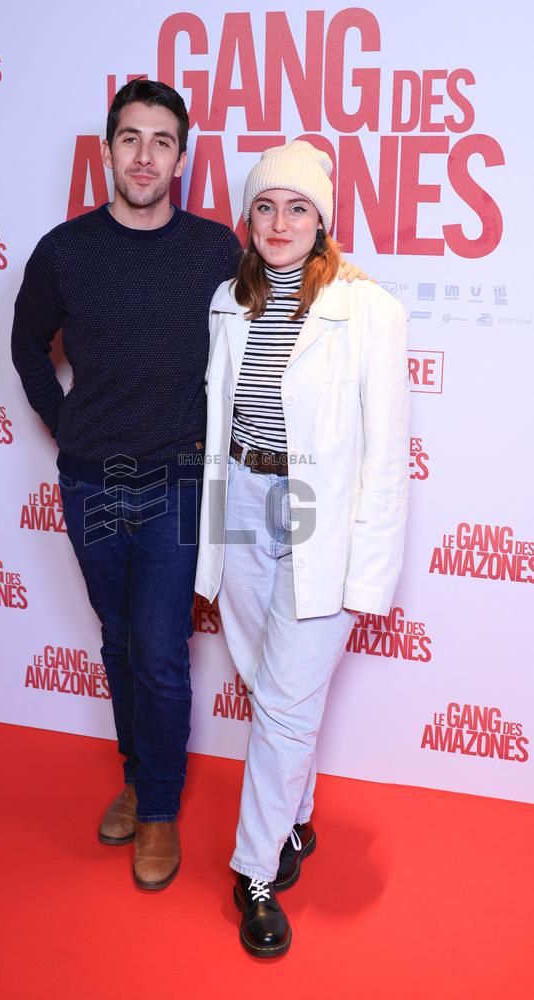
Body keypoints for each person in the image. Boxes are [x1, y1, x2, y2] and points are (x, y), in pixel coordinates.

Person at [12, 80, 365, 893]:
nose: (144, 155)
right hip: (91, 482)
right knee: (115, 640)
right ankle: (137, 781)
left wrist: (357, 294)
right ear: (107, 152)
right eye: (129, 139)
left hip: (178, 481)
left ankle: (161, 810)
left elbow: (295, 294)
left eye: (161, 141)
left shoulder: (216, 252)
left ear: (181, 156)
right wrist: (64, 425)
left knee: (162, 653)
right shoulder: (63, 250)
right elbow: (28, 346)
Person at [195, 140, 409, 955]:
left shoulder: (370, 311)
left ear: (323, 219)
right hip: (244, 498)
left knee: (285, 702)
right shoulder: (228, 300)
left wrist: (370, 574)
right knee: (264, 681)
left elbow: (385, 459)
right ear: (247, 219)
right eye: (264, 205)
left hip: (318, 510)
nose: (279, 221)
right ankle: (297, 821)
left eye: (297, 207)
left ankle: (253, 869)